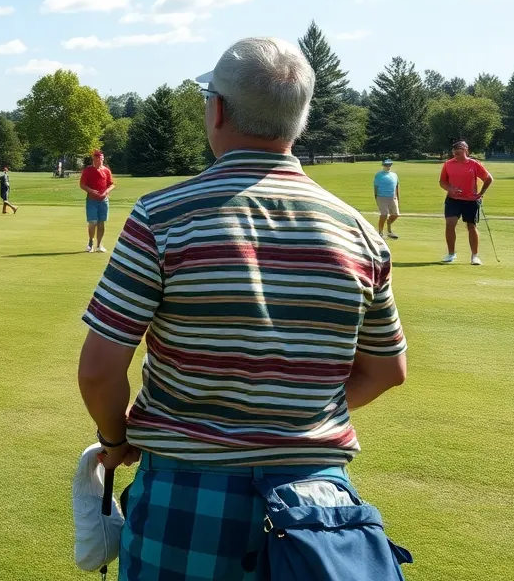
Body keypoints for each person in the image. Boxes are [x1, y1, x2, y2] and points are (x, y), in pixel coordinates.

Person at [78, 38, 407, 581]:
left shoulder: (163, 217)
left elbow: (99, 369)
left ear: (219, 110)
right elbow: (387, 370)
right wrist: (293, 421)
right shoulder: (358, 232)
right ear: (297, 118)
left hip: (185, 499)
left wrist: (116, 440)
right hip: (319, 511)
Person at [440, 140, 493, 265]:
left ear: (465, 150)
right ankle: (451, 254)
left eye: (458, 152)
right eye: (454, 153)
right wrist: (450, 189)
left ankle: (475, 256)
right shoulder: (448, 164)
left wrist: (481, 193)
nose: (456, 155)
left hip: (470, 200)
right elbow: (442, 182)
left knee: (471, 226)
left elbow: (488, 178)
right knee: (450, 223)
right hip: (453, 200)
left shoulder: (474, 164)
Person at [78, 150, 114, 253]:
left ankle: (99, 245)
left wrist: (106, 192)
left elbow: (111, 184)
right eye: (98, 159)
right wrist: (91, 191)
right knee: (93, 222)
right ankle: (90, 243)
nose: (100, 161)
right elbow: (82, 185)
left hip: (103, 200)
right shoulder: (88, 170)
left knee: (101, 223)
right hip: (92, 200)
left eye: (102, 159)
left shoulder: (106, 170)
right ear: (94, 159)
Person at [374, 158, 400, 240]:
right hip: (382, 197)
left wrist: (397, 198)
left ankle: (389, 228)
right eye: (386, 165)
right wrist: (376, 197)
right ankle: (380, 233)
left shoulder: (394, 175)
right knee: (384, 214)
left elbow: (396, 187)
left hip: (392, 197)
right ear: (383, 165)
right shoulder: (378, 175)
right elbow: (375, 187)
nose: (388, 166)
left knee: (396, 215)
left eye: (389, 164)